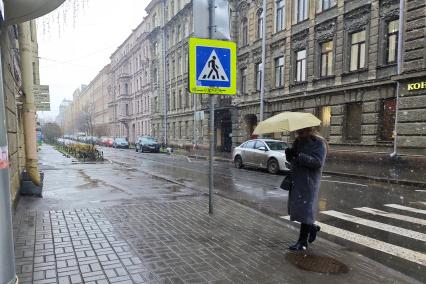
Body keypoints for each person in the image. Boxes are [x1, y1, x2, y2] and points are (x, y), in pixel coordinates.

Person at [285, 127, 328, 251]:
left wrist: (299, 155)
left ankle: (302, 242)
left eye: (302, 132)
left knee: (305, 211)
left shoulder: (318, 143)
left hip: (309, 182)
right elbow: (294, 160)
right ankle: (312, 228)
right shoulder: (298, 142)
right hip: (297, 180)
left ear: (309, 130)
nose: (299, 134)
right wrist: (290, 155)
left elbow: (317, 162)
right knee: (300, 210)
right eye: (298, 132)